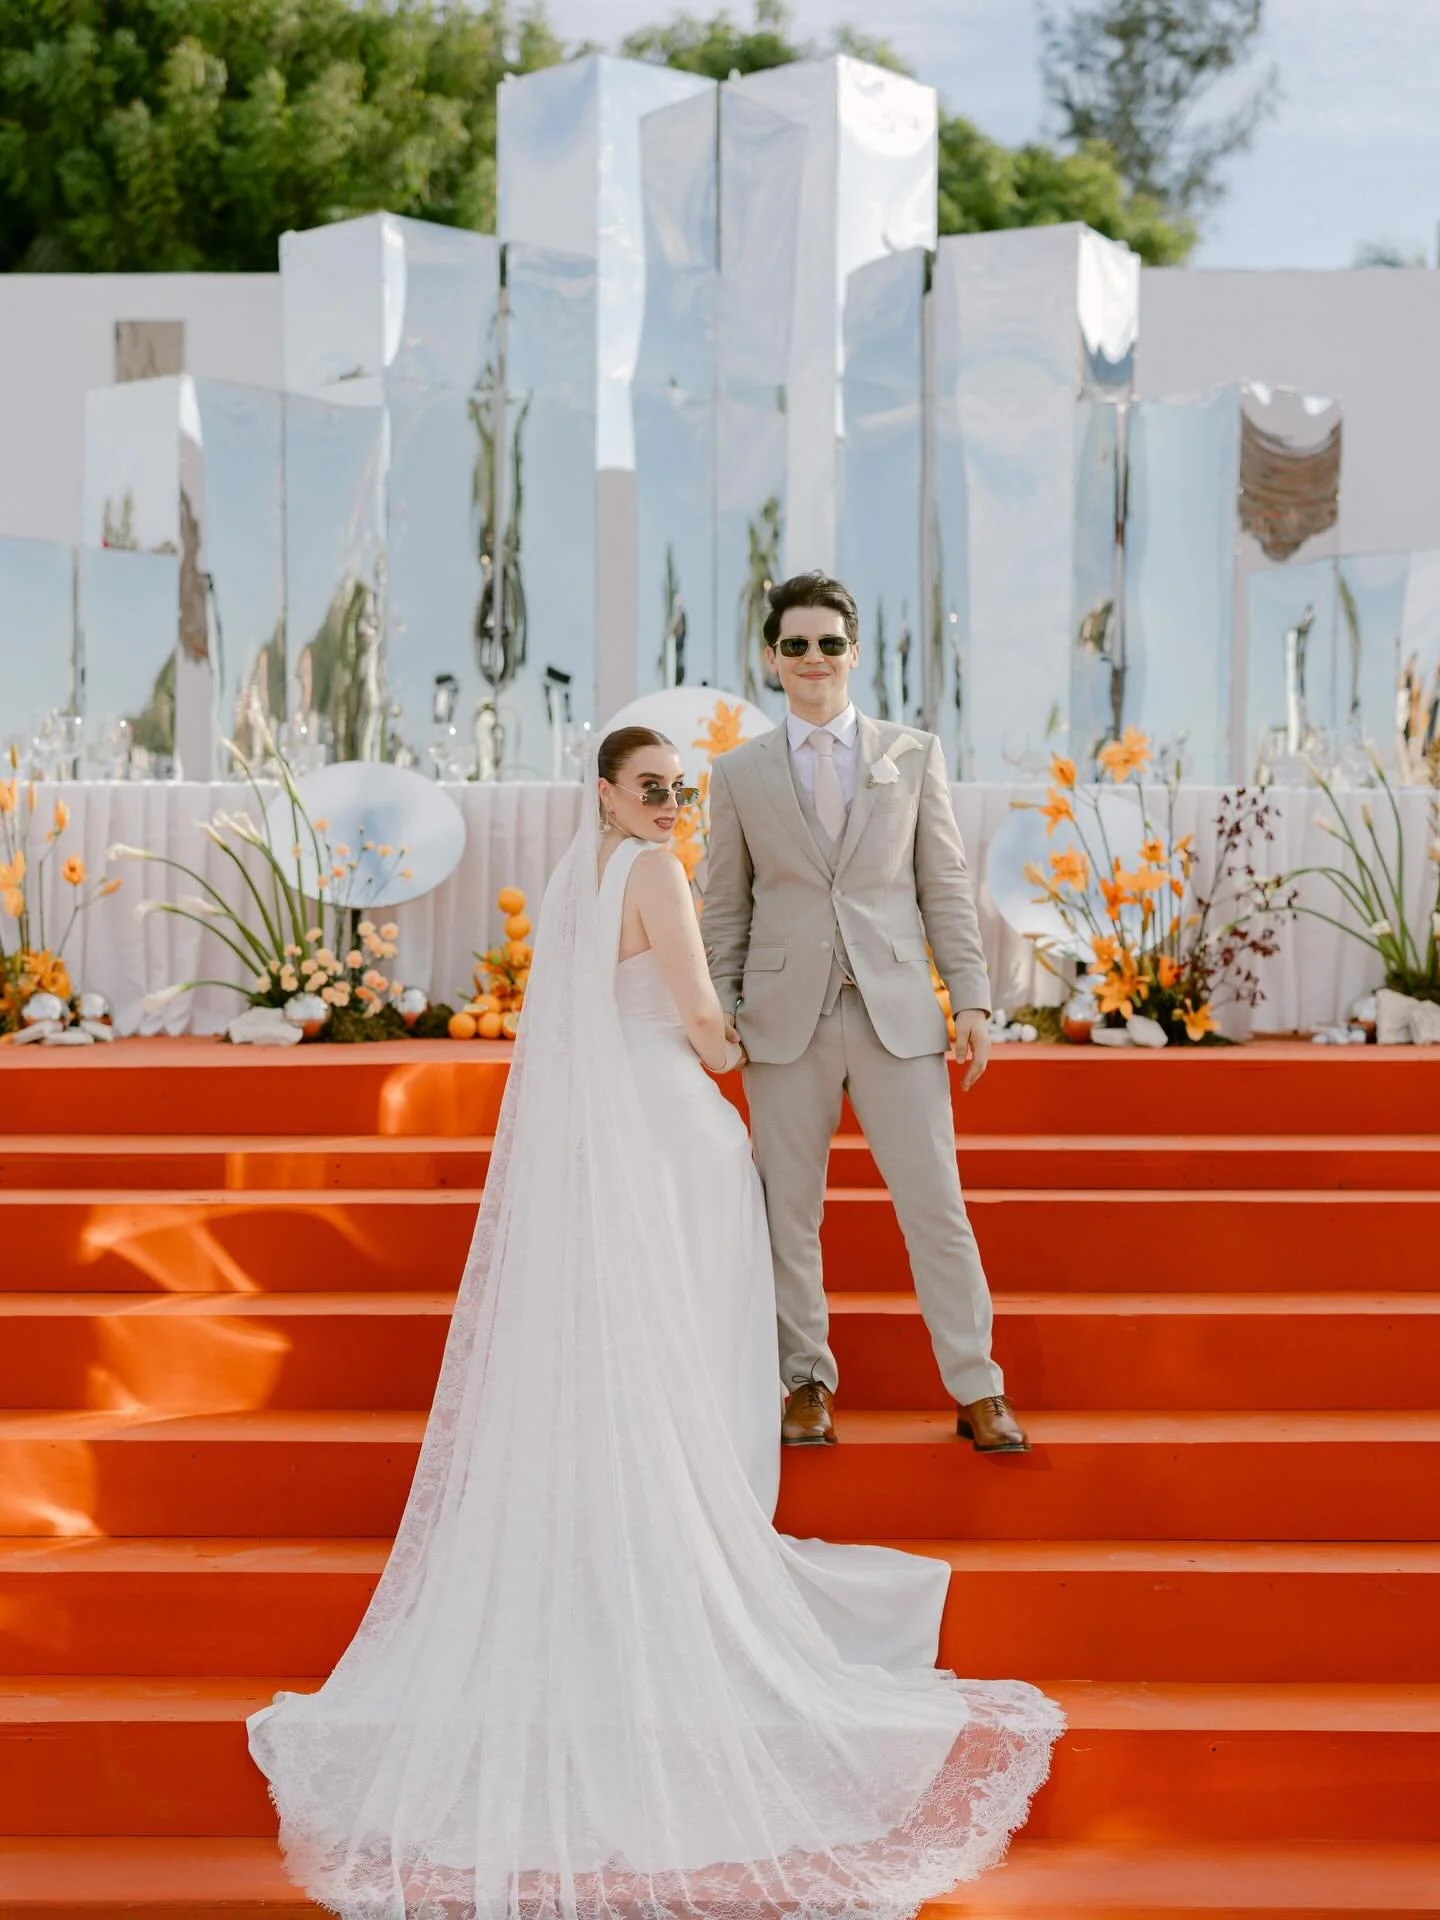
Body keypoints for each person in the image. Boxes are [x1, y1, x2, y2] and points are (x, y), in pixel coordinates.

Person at [247, 725, 1061, 1920]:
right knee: (686, 1332)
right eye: (655, 787)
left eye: (681, 787)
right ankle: (693, 1521)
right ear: (609, 795)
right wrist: (759, 1041)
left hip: (604, 1133)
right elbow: (701, 1020)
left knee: (621, 1334)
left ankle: (621, 1510)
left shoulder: (579, 880)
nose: (675, 802)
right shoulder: (657, 873)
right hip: (675, 1130)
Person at [703, 571, 1027, 1454]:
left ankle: (977, 1386)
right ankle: (805, 1382)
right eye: (797, 645)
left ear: (855, 653)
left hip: (896, 1014)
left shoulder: (914, 754)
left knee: (935, 1207)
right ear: (772, 659)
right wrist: (723, 1007)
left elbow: (945, 888)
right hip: (781, 1020)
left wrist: (971, 999)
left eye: (830, 644)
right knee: (787, 1215)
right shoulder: (735, 774)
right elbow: (724, 905)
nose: (815, 659)